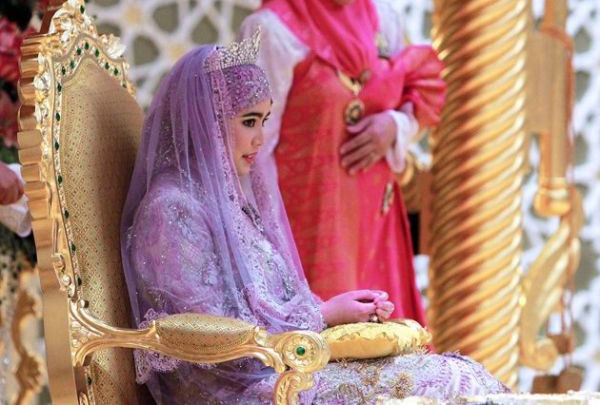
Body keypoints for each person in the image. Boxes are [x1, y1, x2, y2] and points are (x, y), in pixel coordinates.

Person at [120, 33, 507, 404]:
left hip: (283, 368)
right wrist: (322, 315)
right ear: (206, 121)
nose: (260, 138)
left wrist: (340, 314)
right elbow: (206, 336)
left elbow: (273, 303)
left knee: (456, 373)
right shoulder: (171, 209)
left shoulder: (231, 205)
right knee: (446, 382)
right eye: (249, 121)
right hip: (236, 390)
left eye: (264, 120)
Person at [238, 0, 446, 325]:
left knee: (390, 342)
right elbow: (254, 148)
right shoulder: (270, 31)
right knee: (324, 348)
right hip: (308, 230)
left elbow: (419, 88)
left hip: (376, 225)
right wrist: (267, 242)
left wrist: (394, 125)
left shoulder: (383, 19)